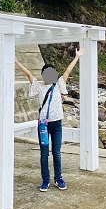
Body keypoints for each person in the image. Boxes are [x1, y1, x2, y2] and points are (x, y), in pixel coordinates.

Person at [15, 49, 85, 192]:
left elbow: (67, 71)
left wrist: (76, 57)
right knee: (44, 153)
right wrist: (16, 61)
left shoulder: (58, 85)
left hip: (57, 123)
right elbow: (28, 74)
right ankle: (45, 180)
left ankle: (58, 178)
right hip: (43, 125)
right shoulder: (39, 87)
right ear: (43, 75)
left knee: (57, 153)